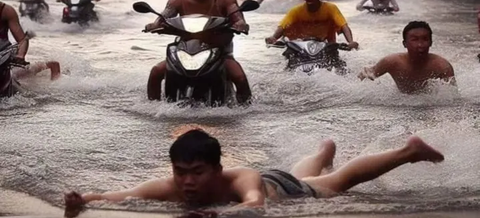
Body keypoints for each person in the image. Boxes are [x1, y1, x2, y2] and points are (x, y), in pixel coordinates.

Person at [64, 129, 444, 217]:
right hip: (283, 177)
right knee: (309, 170)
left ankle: (407, 151)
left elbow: (256, 203)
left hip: (285, 191)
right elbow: (119, 196)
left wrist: (222, 213)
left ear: (217, 168)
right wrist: (83, 201)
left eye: (197, 172)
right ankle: (322, 151)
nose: (188, 181)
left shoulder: (240, 176)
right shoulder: (173, 186)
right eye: (181, 173)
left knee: (337, 181)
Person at [144, 0, 252, 104]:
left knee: (239, 77)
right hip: (185, 51)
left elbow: (237, 16)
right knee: (156, 72)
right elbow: (163, 17)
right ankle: (153, 106)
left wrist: (240, 24)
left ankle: (246, 108)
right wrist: (155, 25)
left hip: (220, 52)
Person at [358, 21, 456, 94]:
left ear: (430, 43)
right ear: (405, 44)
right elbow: (367, 74)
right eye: (415, 39)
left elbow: (453, 97)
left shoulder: (442, 66)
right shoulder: (392, 62)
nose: (420, 45)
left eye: (425, 39)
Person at [265, 0, 358, 50]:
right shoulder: (296, 11)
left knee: (338, 64)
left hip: (326, 45)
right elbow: (282, 26)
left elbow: (344, 26)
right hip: (301, 45)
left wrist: (351, 42)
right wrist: (273, 38)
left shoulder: (331, 8)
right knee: (288, 55)